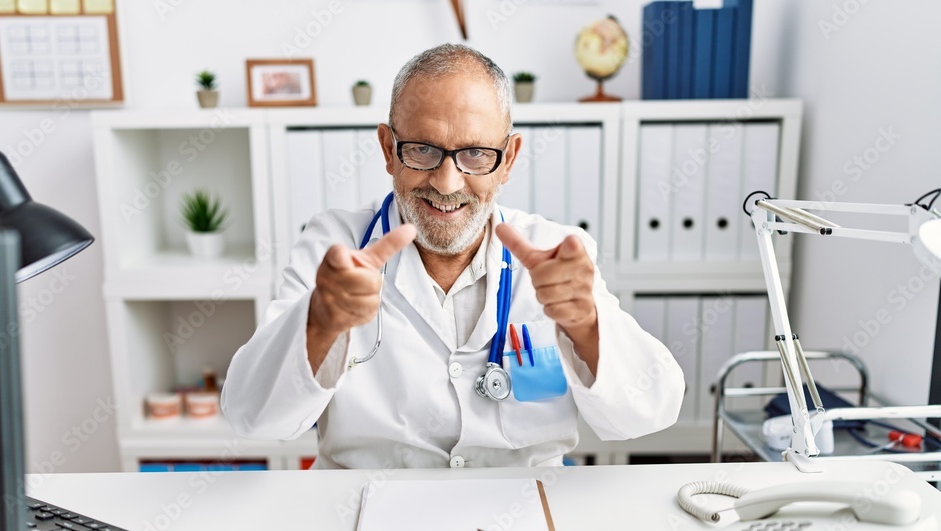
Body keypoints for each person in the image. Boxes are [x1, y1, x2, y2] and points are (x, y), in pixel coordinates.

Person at [221, 44, 684, 469]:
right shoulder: (335, 247)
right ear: (388, 149)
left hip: (524, 509)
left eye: (477, 154)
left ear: (508, 159)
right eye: (422, 150)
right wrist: (320, 322)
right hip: (367, 512)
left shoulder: (556, 252)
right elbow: (253, 416)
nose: (446, 182)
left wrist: (586, 324)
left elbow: (649, 414)